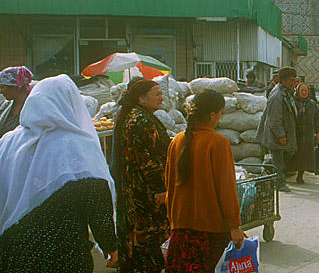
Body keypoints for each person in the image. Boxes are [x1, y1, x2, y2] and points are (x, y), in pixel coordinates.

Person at [0, 75, 118, 272]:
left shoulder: (8, 142)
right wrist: (110, 244)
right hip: (63, 252)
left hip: (14, 249)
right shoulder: (77, 145)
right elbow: (95, 197)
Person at [164, 90, 246, 272]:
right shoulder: (218, 143)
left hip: (181, 230)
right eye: (220, 113)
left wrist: (173, 221)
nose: (220, 117)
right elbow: (226, 189)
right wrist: (234, 226)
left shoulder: (176, 141)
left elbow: (169, 185)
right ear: (212, 115)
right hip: (210, 231)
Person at [111, 79, 170, 273]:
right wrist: (160, 189)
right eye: (156, 93)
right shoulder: (140, 121)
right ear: (141, 98)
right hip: (144, 193)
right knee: (146, 240)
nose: (161, 97)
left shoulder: (135, 116)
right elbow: (147, 160)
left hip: (135, 189)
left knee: (135, 238)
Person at [256, 66, 298, 192]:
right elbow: (275, 120)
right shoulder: (277, 95)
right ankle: (279, 183)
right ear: (283, 81)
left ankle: (266, 169)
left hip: (281, 132)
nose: (293, 83)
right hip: (275, 134)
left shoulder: (285, 92)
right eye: (291, 80)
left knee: (282, 157)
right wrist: (281, 135)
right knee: (279, 161)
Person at [290, 82, 319, 184]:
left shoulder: (312, 104)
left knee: (304, 155)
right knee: (294, 154)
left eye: (305, 90)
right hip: (295, 133)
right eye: (301, 90)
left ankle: (300, 175)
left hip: (308, 134)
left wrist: (318, 134)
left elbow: (317, 120)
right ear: (298, 91)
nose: (304, 92)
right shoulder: (292, 102)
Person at [0, 66, 33, 137]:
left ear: (15, 87)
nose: (0, 91)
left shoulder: (33, 107)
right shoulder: (5, 106)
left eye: (2, 87)